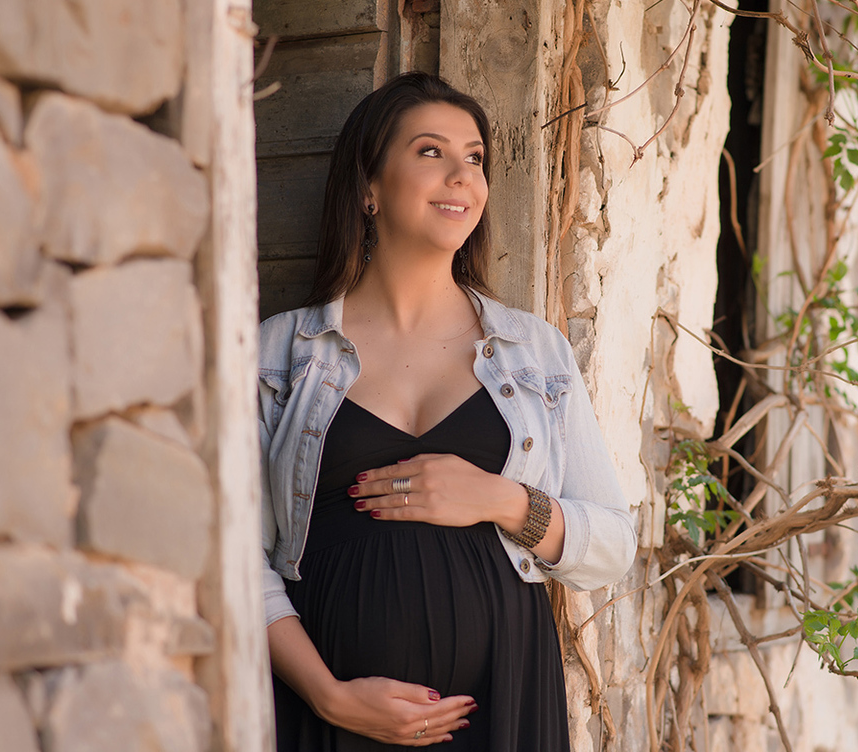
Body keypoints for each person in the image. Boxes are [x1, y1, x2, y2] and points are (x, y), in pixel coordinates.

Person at [258, 71, 636, 751]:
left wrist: (505, 501)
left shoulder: (533, 352)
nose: (462, 174)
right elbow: (231, 555)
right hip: (322, 706)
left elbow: (611, 547)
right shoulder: (281, 352)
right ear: (368, 188)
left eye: (475, 157)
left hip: (502, 700)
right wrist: (327, 695)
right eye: (431, 152)